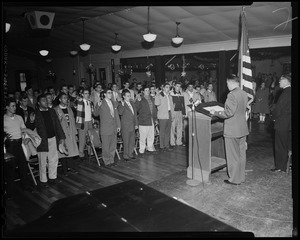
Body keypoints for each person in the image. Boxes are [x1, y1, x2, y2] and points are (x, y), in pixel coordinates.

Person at [210, 74, 249, 185]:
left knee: (233, 156)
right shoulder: (243, 93)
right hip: (242, 128)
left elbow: (228, 113)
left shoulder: (232, 95)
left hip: (232, 129)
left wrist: (216, 112)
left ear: (231, 83)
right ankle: (240, 177)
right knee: (241, 154)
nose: (227, 86)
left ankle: (234, 179)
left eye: (227, 83)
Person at [4, 98, 37, 199]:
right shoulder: (3, 119)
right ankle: (9, 192)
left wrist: (27, 138)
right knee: (11, 170)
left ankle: (25, 186)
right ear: (7, 107)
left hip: (19, 144)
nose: (15, 108)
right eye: (12, 106)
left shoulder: (19, 117)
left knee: (23, 166)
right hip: (10, 145)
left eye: (15, 106)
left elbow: (24, 129)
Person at [35, 94, 66, 187]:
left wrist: (61, 138)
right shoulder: (35, 113)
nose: (46, 102)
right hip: (42, 140)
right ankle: (43, 180)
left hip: (53, 138)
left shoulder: (52, 111)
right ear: (38, 103)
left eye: (46, 100)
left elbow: (57, 125)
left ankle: (53, 177)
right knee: (43, 161)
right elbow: (30, 126)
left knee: (53, 159)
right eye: (43, 100)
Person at [54, 92, 79, 176]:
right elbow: (56, 124)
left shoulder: (69, 108)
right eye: (64, 98)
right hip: (62, 134)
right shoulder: (56, 110)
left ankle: (71, 168)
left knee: (71, 151)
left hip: (70, 132)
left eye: (66, 98)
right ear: (60, 99)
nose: (66, 99)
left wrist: (75, 133)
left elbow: (72, 121)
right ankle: (65, 170)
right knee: (63, 152)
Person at [93, 88, 121, 166]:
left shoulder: (113, 103)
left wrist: (118, 125)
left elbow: (116, 115)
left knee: (113, 146)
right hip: (105, 129)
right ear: (104, 94)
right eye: (108, 93)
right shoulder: (101, 103)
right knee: (106, 147)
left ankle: (111, 160)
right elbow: (95, 114)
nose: (110, 94)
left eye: (111, 93)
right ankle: (106, 161)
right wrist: (98, 106)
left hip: (113, 127)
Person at [270, 74, 291, 172]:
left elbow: (279, 108)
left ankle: (280, 167)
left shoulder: (286, 93)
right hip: (288, 123)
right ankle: (287, 164)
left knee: (280, 145)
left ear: (286, 81)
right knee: (287, 144)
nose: (279, 82)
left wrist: (274, 118)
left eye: (281, 80)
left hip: (282, 123)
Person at [135, 86, 158, 154]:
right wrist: (138, 101)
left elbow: (154, 109)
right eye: (146, 90)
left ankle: (150, 147)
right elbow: (136, 109)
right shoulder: (140, 99)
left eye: (148, 90)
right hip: (143, 120)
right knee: (143, 136)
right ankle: (142, 149)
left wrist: (155, 118)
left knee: (151, 135)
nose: (148, 91)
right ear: (143, 92)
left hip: (151, 119)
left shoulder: (152, 98)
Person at [118, 89, 138, 161]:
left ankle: (130, 153)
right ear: (123, 96)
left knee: (132, 140)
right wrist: (123, 105)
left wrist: (136, 124)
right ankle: (125, 155)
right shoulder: (120, 104)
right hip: (125, 126)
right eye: (127, 96)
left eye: (130, 96)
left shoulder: (132, 103)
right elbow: (120, 113)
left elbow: (135, 114)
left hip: (132, 125)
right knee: (126, 141)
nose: (129, 97)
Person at [155, 82, 174, 151]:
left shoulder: (169, 96)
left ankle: (166, 145)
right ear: (163, 88)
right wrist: (157, 94)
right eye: (166, 87)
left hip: (169, 114)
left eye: (169, 87)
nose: (168, 89)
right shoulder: (160, 95)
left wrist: (172, 115)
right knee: (162, 131)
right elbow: (156, 103)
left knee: (167, 131)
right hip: (162, 115)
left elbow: (171, 106)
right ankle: (162, 146)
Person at [75, 88, 94, 159]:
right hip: (83, 122)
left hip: (89, 121)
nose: (87, 95)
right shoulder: (80, 102)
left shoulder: (90, 102)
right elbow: (77, 110)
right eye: (85, 93)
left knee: (90, 137)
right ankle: (81, 153)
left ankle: (90, 151)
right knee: (82, 138)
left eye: (88, 93)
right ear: (82, 94)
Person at [170, 82, 186, 147]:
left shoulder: (182, 94)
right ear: (174, 87)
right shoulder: (171, 94)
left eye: (179, 86)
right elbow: (171, 105)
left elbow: (183, 104)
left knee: (179, 127)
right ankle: (172, 142)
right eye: (177, 86)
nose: (178, 87)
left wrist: (184, 113)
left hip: (180, 112)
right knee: (173, 128)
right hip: (174, 112)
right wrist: (172, 113)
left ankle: (179, 141)